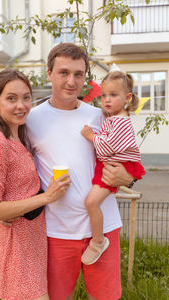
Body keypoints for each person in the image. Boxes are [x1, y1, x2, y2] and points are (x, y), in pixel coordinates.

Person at [26, 43, 135, 300]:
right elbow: (18, 169)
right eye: (63, 72)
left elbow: (126, 157)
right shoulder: (31, 119)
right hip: (57, 231)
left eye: (78, 74)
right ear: (49, 73)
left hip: (104, 230)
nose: (71, 81)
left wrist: (130, 178)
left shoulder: (100, 115)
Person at [0, 69, 70, 300]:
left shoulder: (19, 135)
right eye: (11, 98)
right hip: (15, 247)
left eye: (26, 97)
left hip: (33, 244)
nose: (21, 105)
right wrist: (47, 197)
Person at [80, 71, 146, 265]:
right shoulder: (114, 117)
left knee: (91, 203)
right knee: (92, 202)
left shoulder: (120, 120)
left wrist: (91, 136)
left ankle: (98, 240)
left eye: (113, 95)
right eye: (104, 95)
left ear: (127, 98)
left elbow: (107, 147)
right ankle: (98, 239)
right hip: (113, 165)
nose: (106, 100)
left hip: (117, 167)